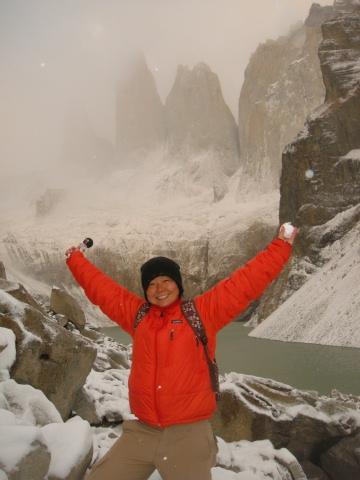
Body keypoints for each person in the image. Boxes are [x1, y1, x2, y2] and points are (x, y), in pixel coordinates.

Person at [65, 224, 298, 480]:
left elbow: (246, 282)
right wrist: (75, 259)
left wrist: (282, 245)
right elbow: (102, 289)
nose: (159, 288)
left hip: (188, 434)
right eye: (152, 283)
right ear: (145, 290)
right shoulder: (138, 316)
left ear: (178, 284)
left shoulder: (202, 313)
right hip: (143, 431)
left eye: (166, 280)